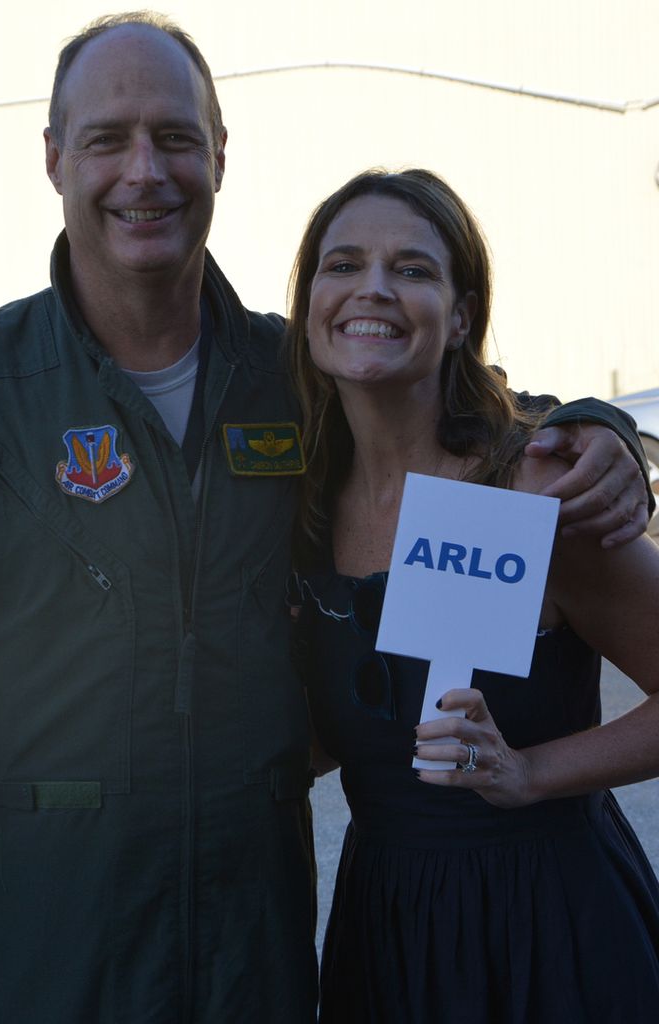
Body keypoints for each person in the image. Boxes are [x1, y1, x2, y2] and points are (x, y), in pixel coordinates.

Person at [0, 13, 653, 1022]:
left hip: (327, 938)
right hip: (79, 932)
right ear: (54, 157)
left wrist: (603, 432)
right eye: (109, 137)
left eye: (176, 136)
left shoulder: (302, 384)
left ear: (219, 156)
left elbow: (473, 412)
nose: (144, 170)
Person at [288, 168, 659, 1023]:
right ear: (309, 305)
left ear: (460, 317)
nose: (372, 287)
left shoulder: (530, 487)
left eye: (413, 269)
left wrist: (532, 771)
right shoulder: (301, 507)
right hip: (388, 933)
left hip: (550, 930)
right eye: (342, 264)